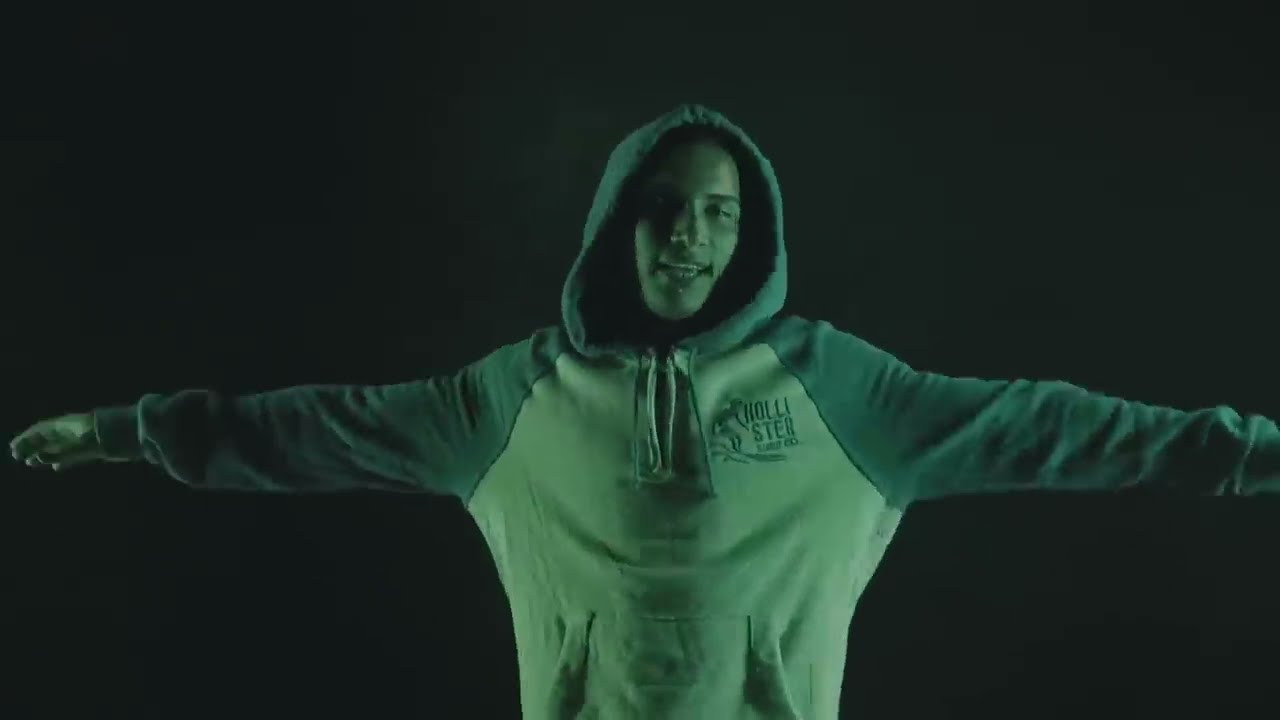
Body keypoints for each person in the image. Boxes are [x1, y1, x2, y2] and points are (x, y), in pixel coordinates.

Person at [10, 103, 1280, 719]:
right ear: (617, 222)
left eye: (717, 213)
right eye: (663, 209)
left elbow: (1047, 426)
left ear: (749, 234)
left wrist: (1249, 456)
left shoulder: (840, 390)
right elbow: (315, 429)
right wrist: (130, 429)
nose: (687, 237)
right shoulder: (509, 399)